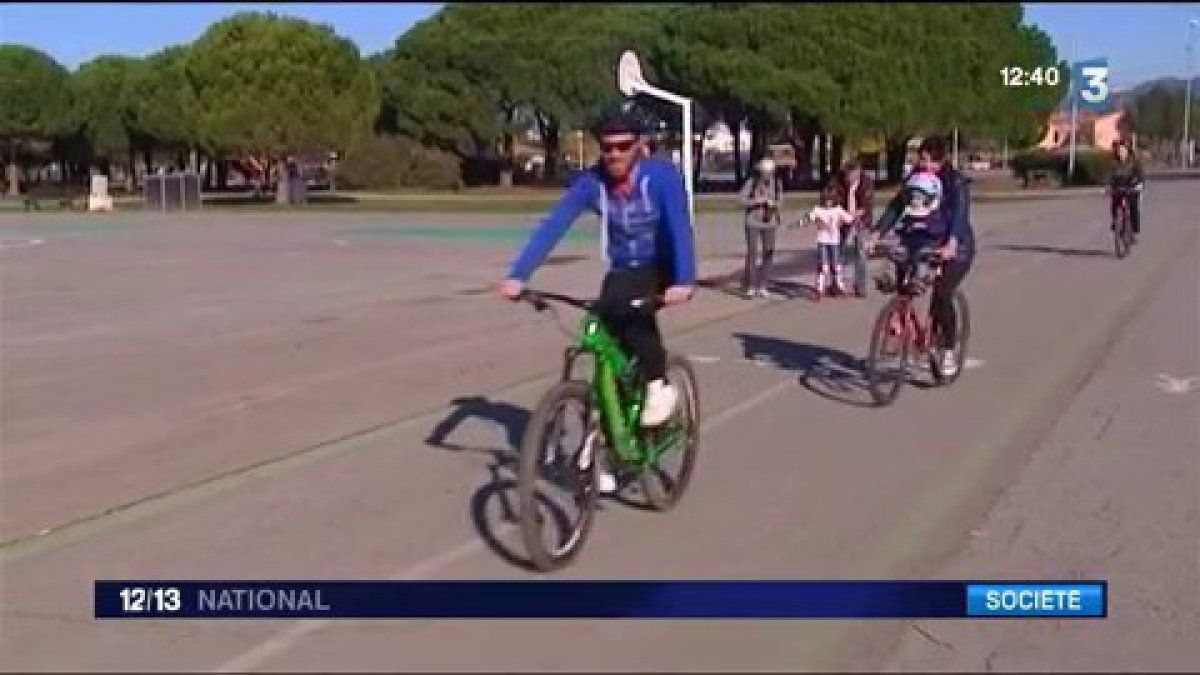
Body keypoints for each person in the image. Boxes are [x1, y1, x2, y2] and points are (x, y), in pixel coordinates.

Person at [498, 107, 696, 492]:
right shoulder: (593, 183)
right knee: (599, 330)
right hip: (623, 269)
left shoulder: (661, 177)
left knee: (635, 313)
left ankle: (658, 385)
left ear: (639, 146)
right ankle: (604, 437)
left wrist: (684, 279)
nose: (615, 155)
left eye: (623, 147)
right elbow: (555, 224)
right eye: (607, 148)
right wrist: (518, 275)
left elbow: (679, 228)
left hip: (661, 265)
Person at [870, 135, 976, 378]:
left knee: (942, 293)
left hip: (955, 245)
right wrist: (877, 233)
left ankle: (948, 348)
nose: (923, 164)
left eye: (928, 160)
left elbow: (960, 216)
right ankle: (900, 316)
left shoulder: (955, 182)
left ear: (941, 160)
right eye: (921, 158)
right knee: (901, 266)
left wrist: (952, 243)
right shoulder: (915, 178)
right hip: (920, 238)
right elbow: (897, 206)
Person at [738, 157, 784, 299]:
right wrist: (758, 201)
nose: (768, 176)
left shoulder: (777, 183)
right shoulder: (751, 183)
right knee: (752, 254)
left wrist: (774, 204)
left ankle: (763, 285)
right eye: (765, 173)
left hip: (769, 222)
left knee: (768, 253)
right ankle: (750, 286)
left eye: (770, 173)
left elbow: (780, 201)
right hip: (753, 222)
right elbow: (741, 200)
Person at [799, 185, 854, 301]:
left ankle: (839, 286)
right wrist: (801, 222)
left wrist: (855, 215)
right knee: (824, 266)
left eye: (831, 200)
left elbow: (849, 219)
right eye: (826, 200)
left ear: (835, 200)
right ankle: (819, 288)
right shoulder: (818, 210)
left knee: (836, 265)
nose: (828, 203)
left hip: (834, 241)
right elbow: (809, 217)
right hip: (822, 241)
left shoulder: (838, 209)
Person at [833, 157, 875, 297]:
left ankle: (860, 286)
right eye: (847, 176)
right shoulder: (837, 182)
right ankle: (837, 284)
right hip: (842, 221)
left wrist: (854, 215)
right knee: (838, 252)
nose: (849, 179)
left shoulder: (866, 182)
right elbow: (833, 199)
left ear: (858, 173)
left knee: (861, 254)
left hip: (862, 221)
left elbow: (866, 205)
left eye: (852, 176)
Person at [1109, 140, 1145, 242]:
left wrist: (1138, 184)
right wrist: (1108, 186)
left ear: (1127, 150)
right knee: (1115, 204)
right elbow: (1110, 176)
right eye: (1119, 150)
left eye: (1123, 150)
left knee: (1133, 207)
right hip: (1119, 187)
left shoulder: (1134, 162)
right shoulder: (1114, 163)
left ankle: (1134, 231)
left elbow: (1140, 175)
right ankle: (1116, 222)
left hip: (1132, 186)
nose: (1121, 152)